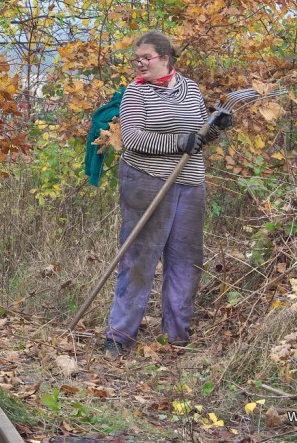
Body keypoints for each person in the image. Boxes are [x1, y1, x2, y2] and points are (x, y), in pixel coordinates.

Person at [103, 31, 233, 358]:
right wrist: (179, 144)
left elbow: (197, 135)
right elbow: (132, 138)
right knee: (139, 259)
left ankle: (176, 336)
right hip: (145, 181)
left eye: (146, 57)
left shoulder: (189, 89)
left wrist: (215, 127)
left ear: (164, 57)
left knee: (186, 261)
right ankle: (119, 338)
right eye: (137, 58)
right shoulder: (135, 93)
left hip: (189, 183)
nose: (140, 62)